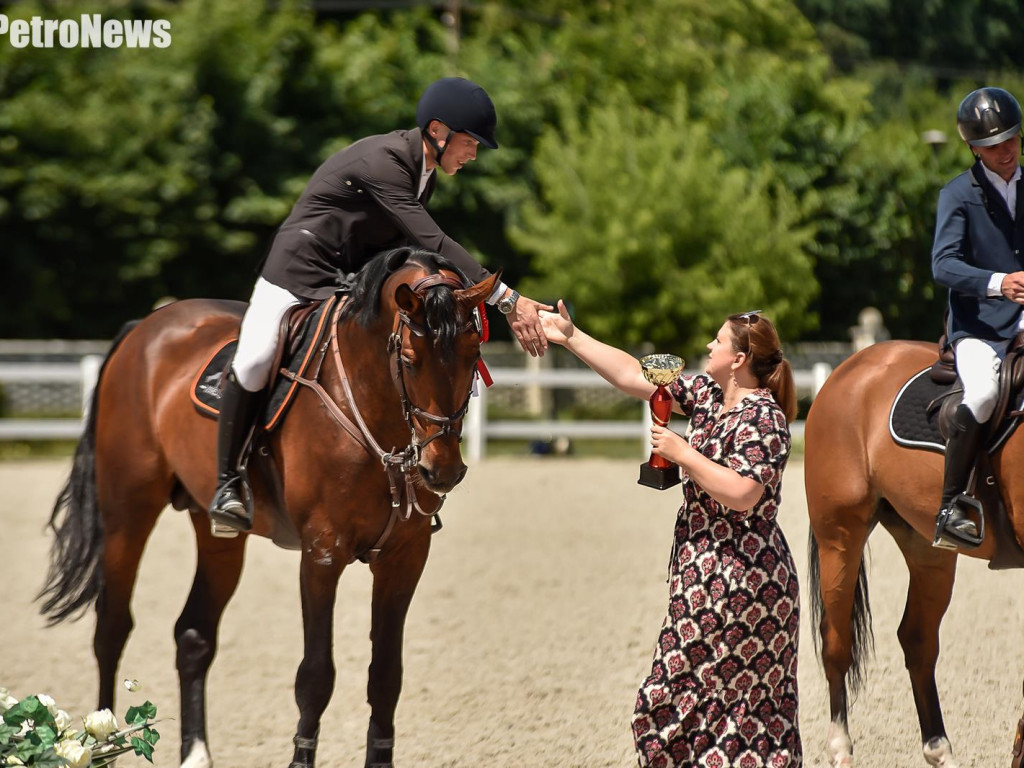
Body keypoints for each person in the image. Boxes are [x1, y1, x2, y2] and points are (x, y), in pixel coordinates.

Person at [209, 76, 550, 532]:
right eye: (469, 143)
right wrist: (506, 299)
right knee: (253, 361)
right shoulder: (385, 162)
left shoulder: (423, 170)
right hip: (297, 270)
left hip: (345, 281)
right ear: (437, 130)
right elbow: (431, 239)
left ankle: (400, 486)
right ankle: (228, 483)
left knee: (397, 362)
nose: (472, 154)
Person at [539, 303, 801, 767]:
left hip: (744, 581)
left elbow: (743, 494)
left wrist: (684, 455)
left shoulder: (766, 417)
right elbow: (630, 374)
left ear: (739, 359)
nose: (708, 346)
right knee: (702, 709)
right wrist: (571, 335)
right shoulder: (706, 396)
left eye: (718, 341)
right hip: (703, 573)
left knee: (696, 705)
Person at [931, 85, 1024, 550]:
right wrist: (998, 282)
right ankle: (951, 507)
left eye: (1010, 140)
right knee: (985, 393)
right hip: (980, 325)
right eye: (992, 145)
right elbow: (942, 264)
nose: (1004, 151)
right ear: (972, 147)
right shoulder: (957, 195)